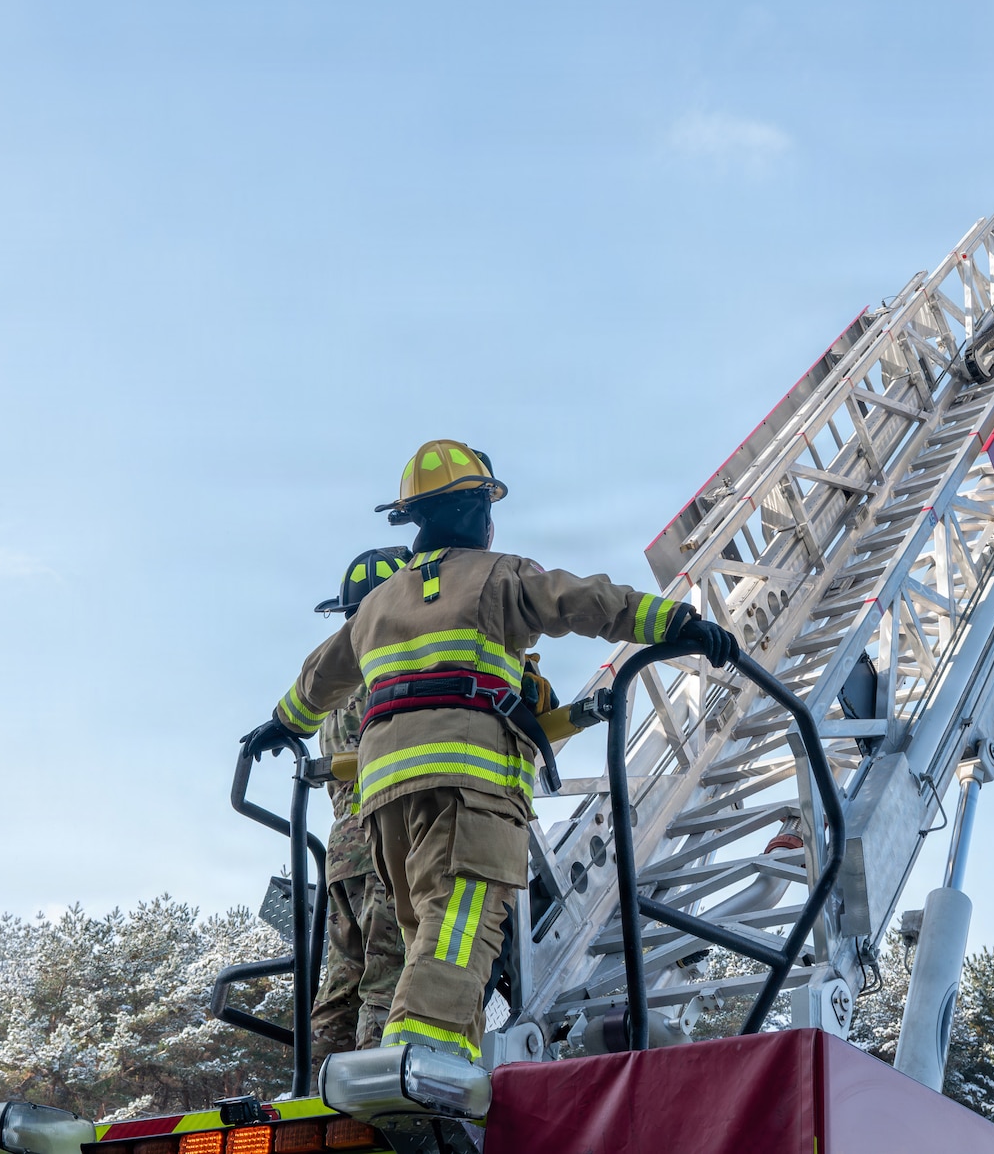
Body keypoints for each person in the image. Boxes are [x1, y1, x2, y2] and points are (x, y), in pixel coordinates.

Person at [258, 439, 739, 1065]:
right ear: (472, 512)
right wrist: (676, 625)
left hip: (384, 800)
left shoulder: (376, 605)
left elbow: (320, 676)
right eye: (487, 504)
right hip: (471, 782)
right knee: (462, 925)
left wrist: (279, 724)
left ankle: (419, 1059)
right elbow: (585, 601)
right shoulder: (498, 575)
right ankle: (419, 1066)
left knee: (423, 929)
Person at [306, 546, 412, 1060]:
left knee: (343, 979)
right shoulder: (388, 671)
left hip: (342, 849)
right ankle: (374, 1087)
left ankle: (323, 1086)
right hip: (385, 836)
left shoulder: (334, 685)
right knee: (386, 974)